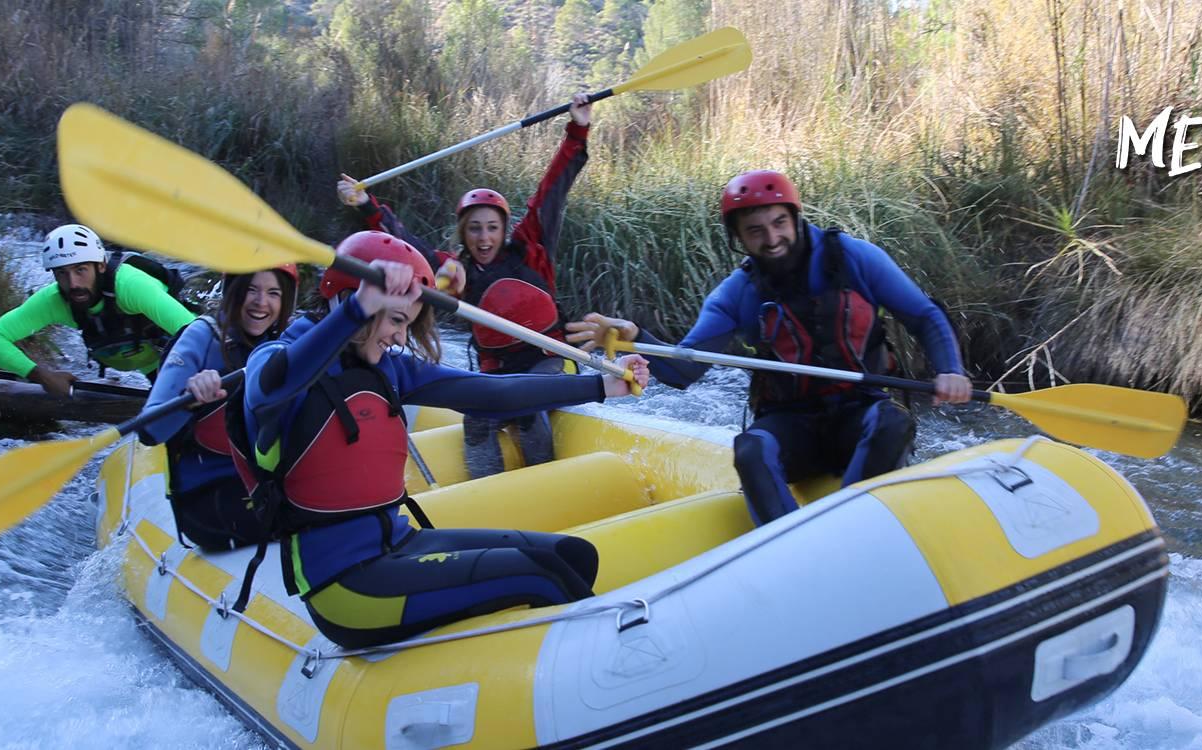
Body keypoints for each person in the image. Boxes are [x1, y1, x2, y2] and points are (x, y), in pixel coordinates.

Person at [231, 231, 649, 649]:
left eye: (406, 324)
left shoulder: (389, 369)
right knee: (539, 574)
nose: (399, 337)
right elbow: (270, 387)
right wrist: (359, 309)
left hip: (400, 543)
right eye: (395, 320)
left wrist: (601, 386)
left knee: (571, 555)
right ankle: (616, 668)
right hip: (344, 588)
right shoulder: (273, 359)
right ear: (350, 300)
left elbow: (491, 393)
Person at [566, 170, 973, 526]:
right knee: (751, 447)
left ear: (795, 217)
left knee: (893, 422)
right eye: (755, 231)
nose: (772, 239)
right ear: (738, 237)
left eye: (779, 223)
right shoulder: (737, 293)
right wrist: (634, 336)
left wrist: (950, 368)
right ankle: (792, 547)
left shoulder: (855, 259)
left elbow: (924, 315)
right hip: (790, 424)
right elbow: (684, 371)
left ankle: (850, 530)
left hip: (859, 412)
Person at [337, 92, 595, 479]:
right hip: (498, 369)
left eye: (492, 227)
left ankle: (546, 481)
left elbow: (553, 189)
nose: (484, 237)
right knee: (476, 419)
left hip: (551, 359)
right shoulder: (454, 271)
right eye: (475, 229)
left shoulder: (530, 248)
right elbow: (406, 244)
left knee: (527, 406)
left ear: (504, 229)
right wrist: (366, 205)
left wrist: (578, 128)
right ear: (464, 231)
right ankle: (486, 488)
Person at [134, 265, 299, 551]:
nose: (262, 302)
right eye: (251, 290)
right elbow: (150, 431)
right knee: (310, 516)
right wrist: (191, 397)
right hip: (208, 496)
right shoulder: (202, 337)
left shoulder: (285, 341)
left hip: (261, 486)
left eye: (274, 293)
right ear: (232, 291)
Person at [0, 224, 197, 395]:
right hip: (147, 362)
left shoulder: (130, 286)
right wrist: (41, 375)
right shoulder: (54, 300)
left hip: (181, 357)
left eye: (80, 270)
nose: (73, 284)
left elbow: (196, 335)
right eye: (62, 273)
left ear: (100, 265)